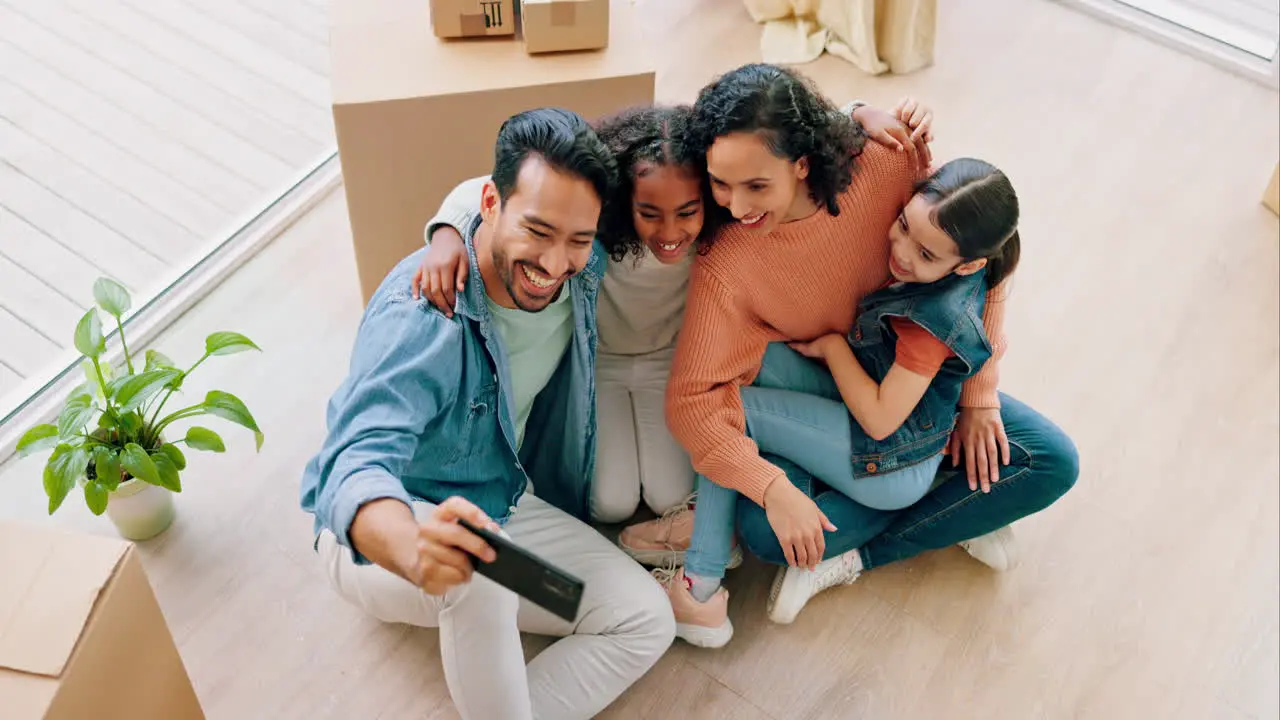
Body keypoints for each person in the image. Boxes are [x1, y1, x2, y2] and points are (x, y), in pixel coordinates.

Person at [632, 62, 1077, 630]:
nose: (736, 207)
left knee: (1051, 461)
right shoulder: (728, 263)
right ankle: (958, 504)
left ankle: (874, 542)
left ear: (802, 162)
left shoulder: (889, 165)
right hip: (835, 381)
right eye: (721, 184)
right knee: (771, 531)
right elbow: (694, 401)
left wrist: (979, 397)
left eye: (756, 186)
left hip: (910, 384)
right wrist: (770, 488)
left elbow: (988, 257)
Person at [410, 102, 933, 566]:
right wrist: (447, 232)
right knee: (608, 503)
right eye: (649, 214)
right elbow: (499, 185)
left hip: (673, 361)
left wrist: (859, 113)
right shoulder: (596, 228)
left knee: (667, 494)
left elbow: (780, 141)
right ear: (623, 201)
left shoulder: (728, 223)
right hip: (607, 365)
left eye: (687, 212)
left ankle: (740, 502)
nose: (670, 233)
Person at [298, 107, 675, 720]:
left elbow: (701, 149)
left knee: (641, 617)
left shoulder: (579, 267)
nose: (555, 263)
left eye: (578, 239)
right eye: (539, 232)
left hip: (502, 501)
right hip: (388, 532)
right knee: (478, 569)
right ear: (491, 204)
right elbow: (354, 463)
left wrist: (857, 117)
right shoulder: (424, 313)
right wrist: (416, 547)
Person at [663, 158, 1022, 646]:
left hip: (891, 456)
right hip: (881, 412)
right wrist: (857, 110)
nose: (900, 251)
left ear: (968, 265)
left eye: (925, 253)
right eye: (901, 226)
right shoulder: (956, 248)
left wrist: (833, 348)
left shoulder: (932, 323)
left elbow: (878, 420)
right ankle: (724, 502)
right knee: (753, 352)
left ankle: (699, 586)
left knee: (724, 412)